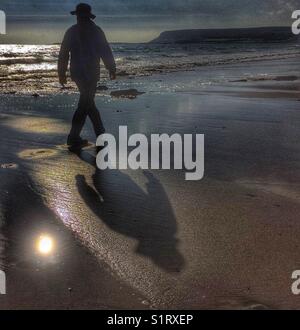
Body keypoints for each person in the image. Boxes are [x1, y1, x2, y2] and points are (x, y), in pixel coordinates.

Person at [58, 3, 116, 151]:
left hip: (86, 73)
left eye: (80, 16)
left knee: (87, 103)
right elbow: (64, 54)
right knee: (87, 103)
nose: (78, 18)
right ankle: (80, 136)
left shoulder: (83, 31)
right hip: (83, 73)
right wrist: (61, 72)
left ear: (84, 16)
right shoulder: (89, 31)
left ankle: (82, 136)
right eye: (78, 16)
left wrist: (111, 67)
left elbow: (105, 50)